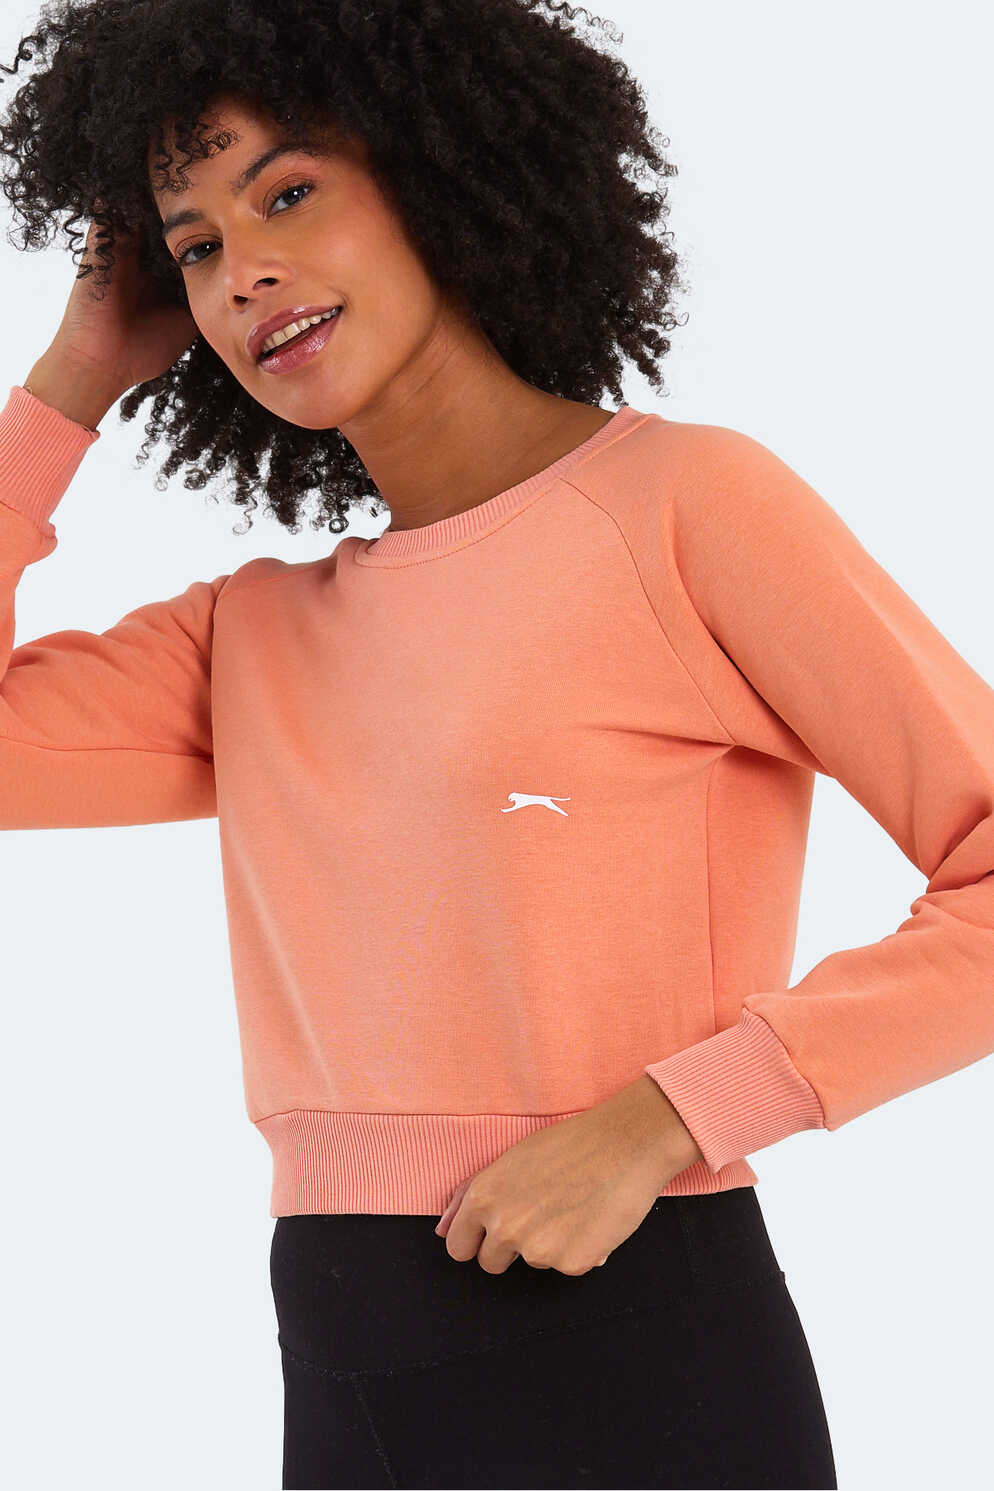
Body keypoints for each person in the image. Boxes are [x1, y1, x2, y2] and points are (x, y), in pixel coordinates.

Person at [1, 4, 991, 1489]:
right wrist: (70, 381)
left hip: (638, 1356)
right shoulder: (252, 636)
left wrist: (669, 1119)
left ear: (434, 173)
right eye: (194, 246)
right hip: (344, 1380)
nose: (242, 269)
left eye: (287, 192)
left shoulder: (683, 508)